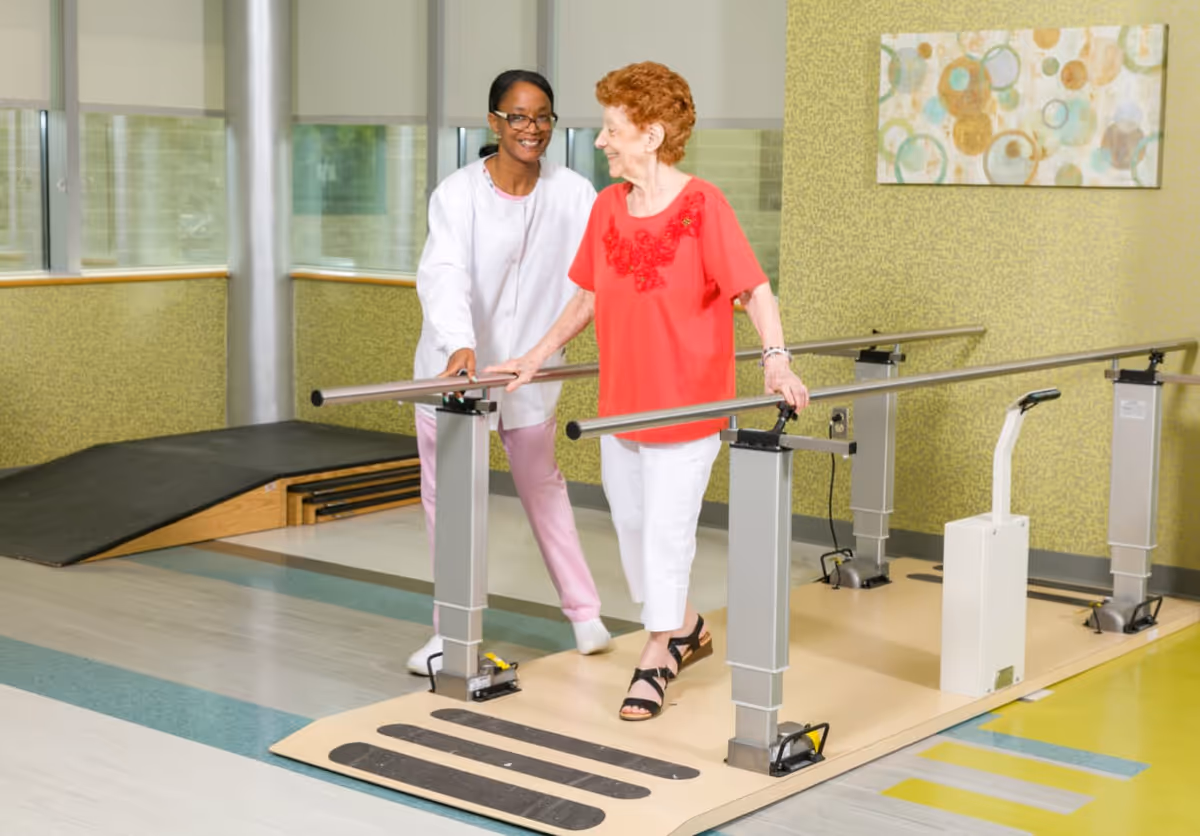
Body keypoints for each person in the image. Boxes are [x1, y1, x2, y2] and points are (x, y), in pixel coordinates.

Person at [487, 61, 808, 720]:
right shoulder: (607, 208)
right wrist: (533, 358)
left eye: (612, 129)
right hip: (621, 411)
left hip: (689, 410)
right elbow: (585, 295)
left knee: (665, 535)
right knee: (632, 534)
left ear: (652, 134)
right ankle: (686, 625)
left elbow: (754, 290)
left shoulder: (702, 205)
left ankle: (657, 654)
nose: (601, 141)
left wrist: (776, 364)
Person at [407, 69, 611, 676]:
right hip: (457, 371)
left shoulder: (575, 194)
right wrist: (457, 344)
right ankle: (451, 631)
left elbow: (599, 275)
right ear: (494, 121)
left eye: (543, 116)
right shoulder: (457, 194)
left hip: (530, 371)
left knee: (543, 489)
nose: (532, 128)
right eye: (518, 116)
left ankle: (585, 614)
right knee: (450, 503)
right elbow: (444, 273)